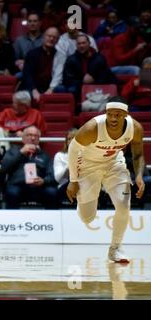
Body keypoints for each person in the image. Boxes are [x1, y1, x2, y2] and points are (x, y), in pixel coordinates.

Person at [66, 97, 145, 263]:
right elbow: (73, 150)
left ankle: (115, 248)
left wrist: (138, 176)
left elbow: (138, 154)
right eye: (110, 114)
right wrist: (73, 181)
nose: (114, 118)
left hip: (114, 163)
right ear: (106, 113)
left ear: (126, 114)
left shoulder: (135, 128)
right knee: (87, 217)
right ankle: (84, 202)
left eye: (118, 114)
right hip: (88, 166)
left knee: (124, 205)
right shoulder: (92, 128)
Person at [0, 125, 58, 209]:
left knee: (52, 192)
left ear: (39, 140)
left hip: (38, 188)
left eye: (36, 136)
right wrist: (21, 152)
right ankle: (12, 221)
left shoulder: (45, 156)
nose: (33, 138)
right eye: (29, 135)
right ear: (23, 138)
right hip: (18, 185)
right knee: (11, 192)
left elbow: (51, 175)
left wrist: (43, 181)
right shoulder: (13, 151)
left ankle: (52, 220)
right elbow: (4, 167)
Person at [53, 128, 78, 206]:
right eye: (69, 139)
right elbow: (57, 178)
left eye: (74, 138)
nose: (71, 141)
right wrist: (69, 165)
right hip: (64, 187)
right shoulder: (60, 156)